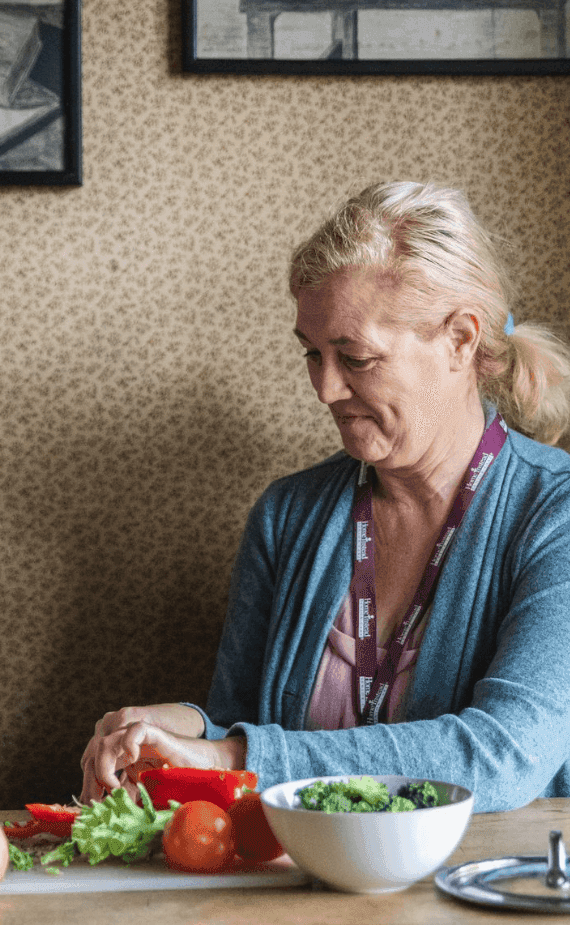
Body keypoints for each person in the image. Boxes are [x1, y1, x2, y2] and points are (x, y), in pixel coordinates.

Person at [81, 182, 570, 814]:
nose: (326, 389)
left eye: (357, 357)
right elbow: (241, 719)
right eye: (313, 354)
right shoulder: (288, 515)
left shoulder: (553, 512)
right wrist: (172, 728)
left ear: (461, 340)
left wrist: (233, 757)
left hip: (483, 895)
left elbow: (505, 754)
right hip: (300, 891)